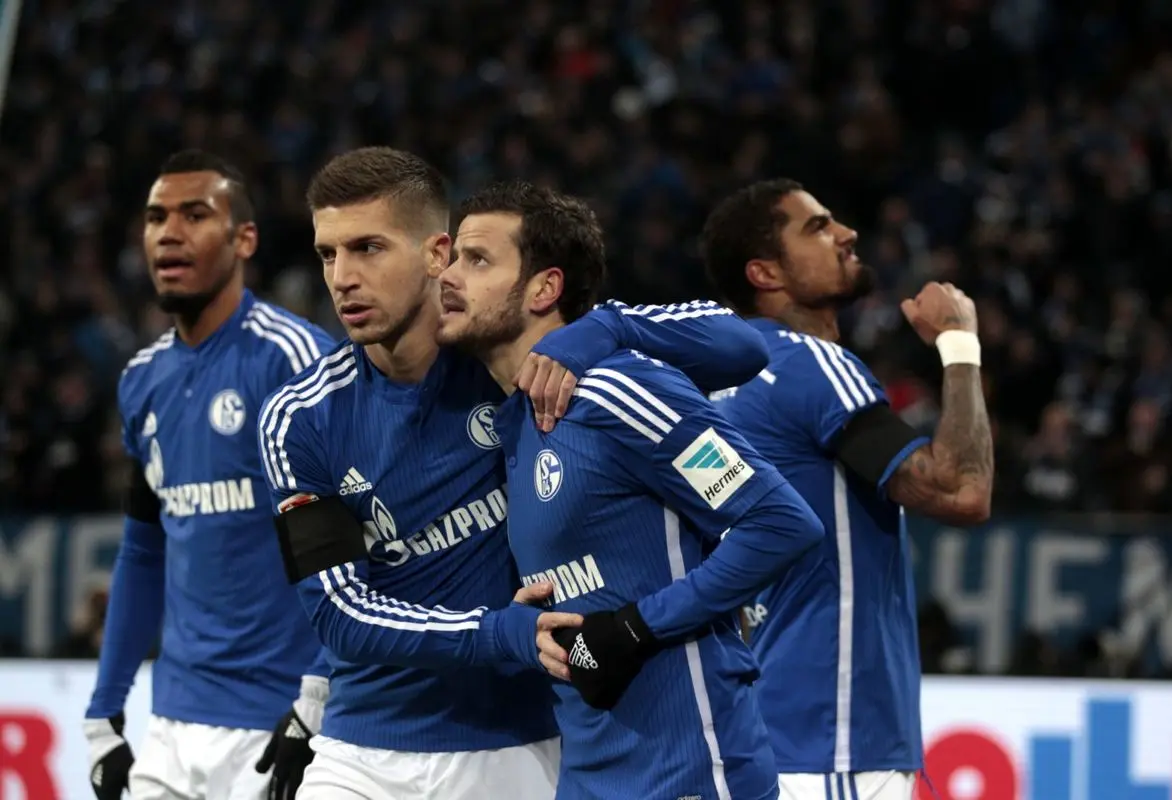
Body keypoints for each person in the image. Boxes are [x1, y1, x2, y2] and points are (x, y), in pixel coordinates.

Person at [257, 147, 774, 800]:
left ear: (435, 254)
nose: (343, 277)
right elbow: (338, 612)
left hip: (522, 742)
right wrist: (498, 632)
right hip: (364, 749)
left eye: (368, 248)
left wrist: (603, 329)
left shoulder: (513, 360)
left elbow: (742, 344)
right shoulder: (301, 417)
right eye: (327, 254)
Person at [434, 180, 827, 800]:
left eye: (477, 260)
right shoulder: (511, 422)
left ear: (544, 289)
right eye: (454, 257)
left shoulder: (616, 389)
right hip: (587, 774)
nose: (450, 276)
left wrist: (635, 627)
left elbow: (781, 524)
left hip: (690, 769)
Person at [700, 179, 995, 800]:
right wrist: (959, 342)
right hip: (834, 742)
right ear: (765, 273)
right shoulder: (811, 365)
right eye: (816, 227)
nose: (846, 234)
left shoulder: (715, 385)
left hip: (753, 735)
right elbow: (962, 490)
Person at [83, 150, 335, 800]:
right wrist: (104, 711)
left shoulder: (297, 363)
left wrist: (319, 694)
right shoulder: (141, 381)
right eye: (156, 217)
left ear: (243, 239)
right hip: (171, 727)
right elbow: (143, 551)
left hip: (280, 724)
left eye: (195, 215)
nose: (169, 233)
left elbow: (355, 545)